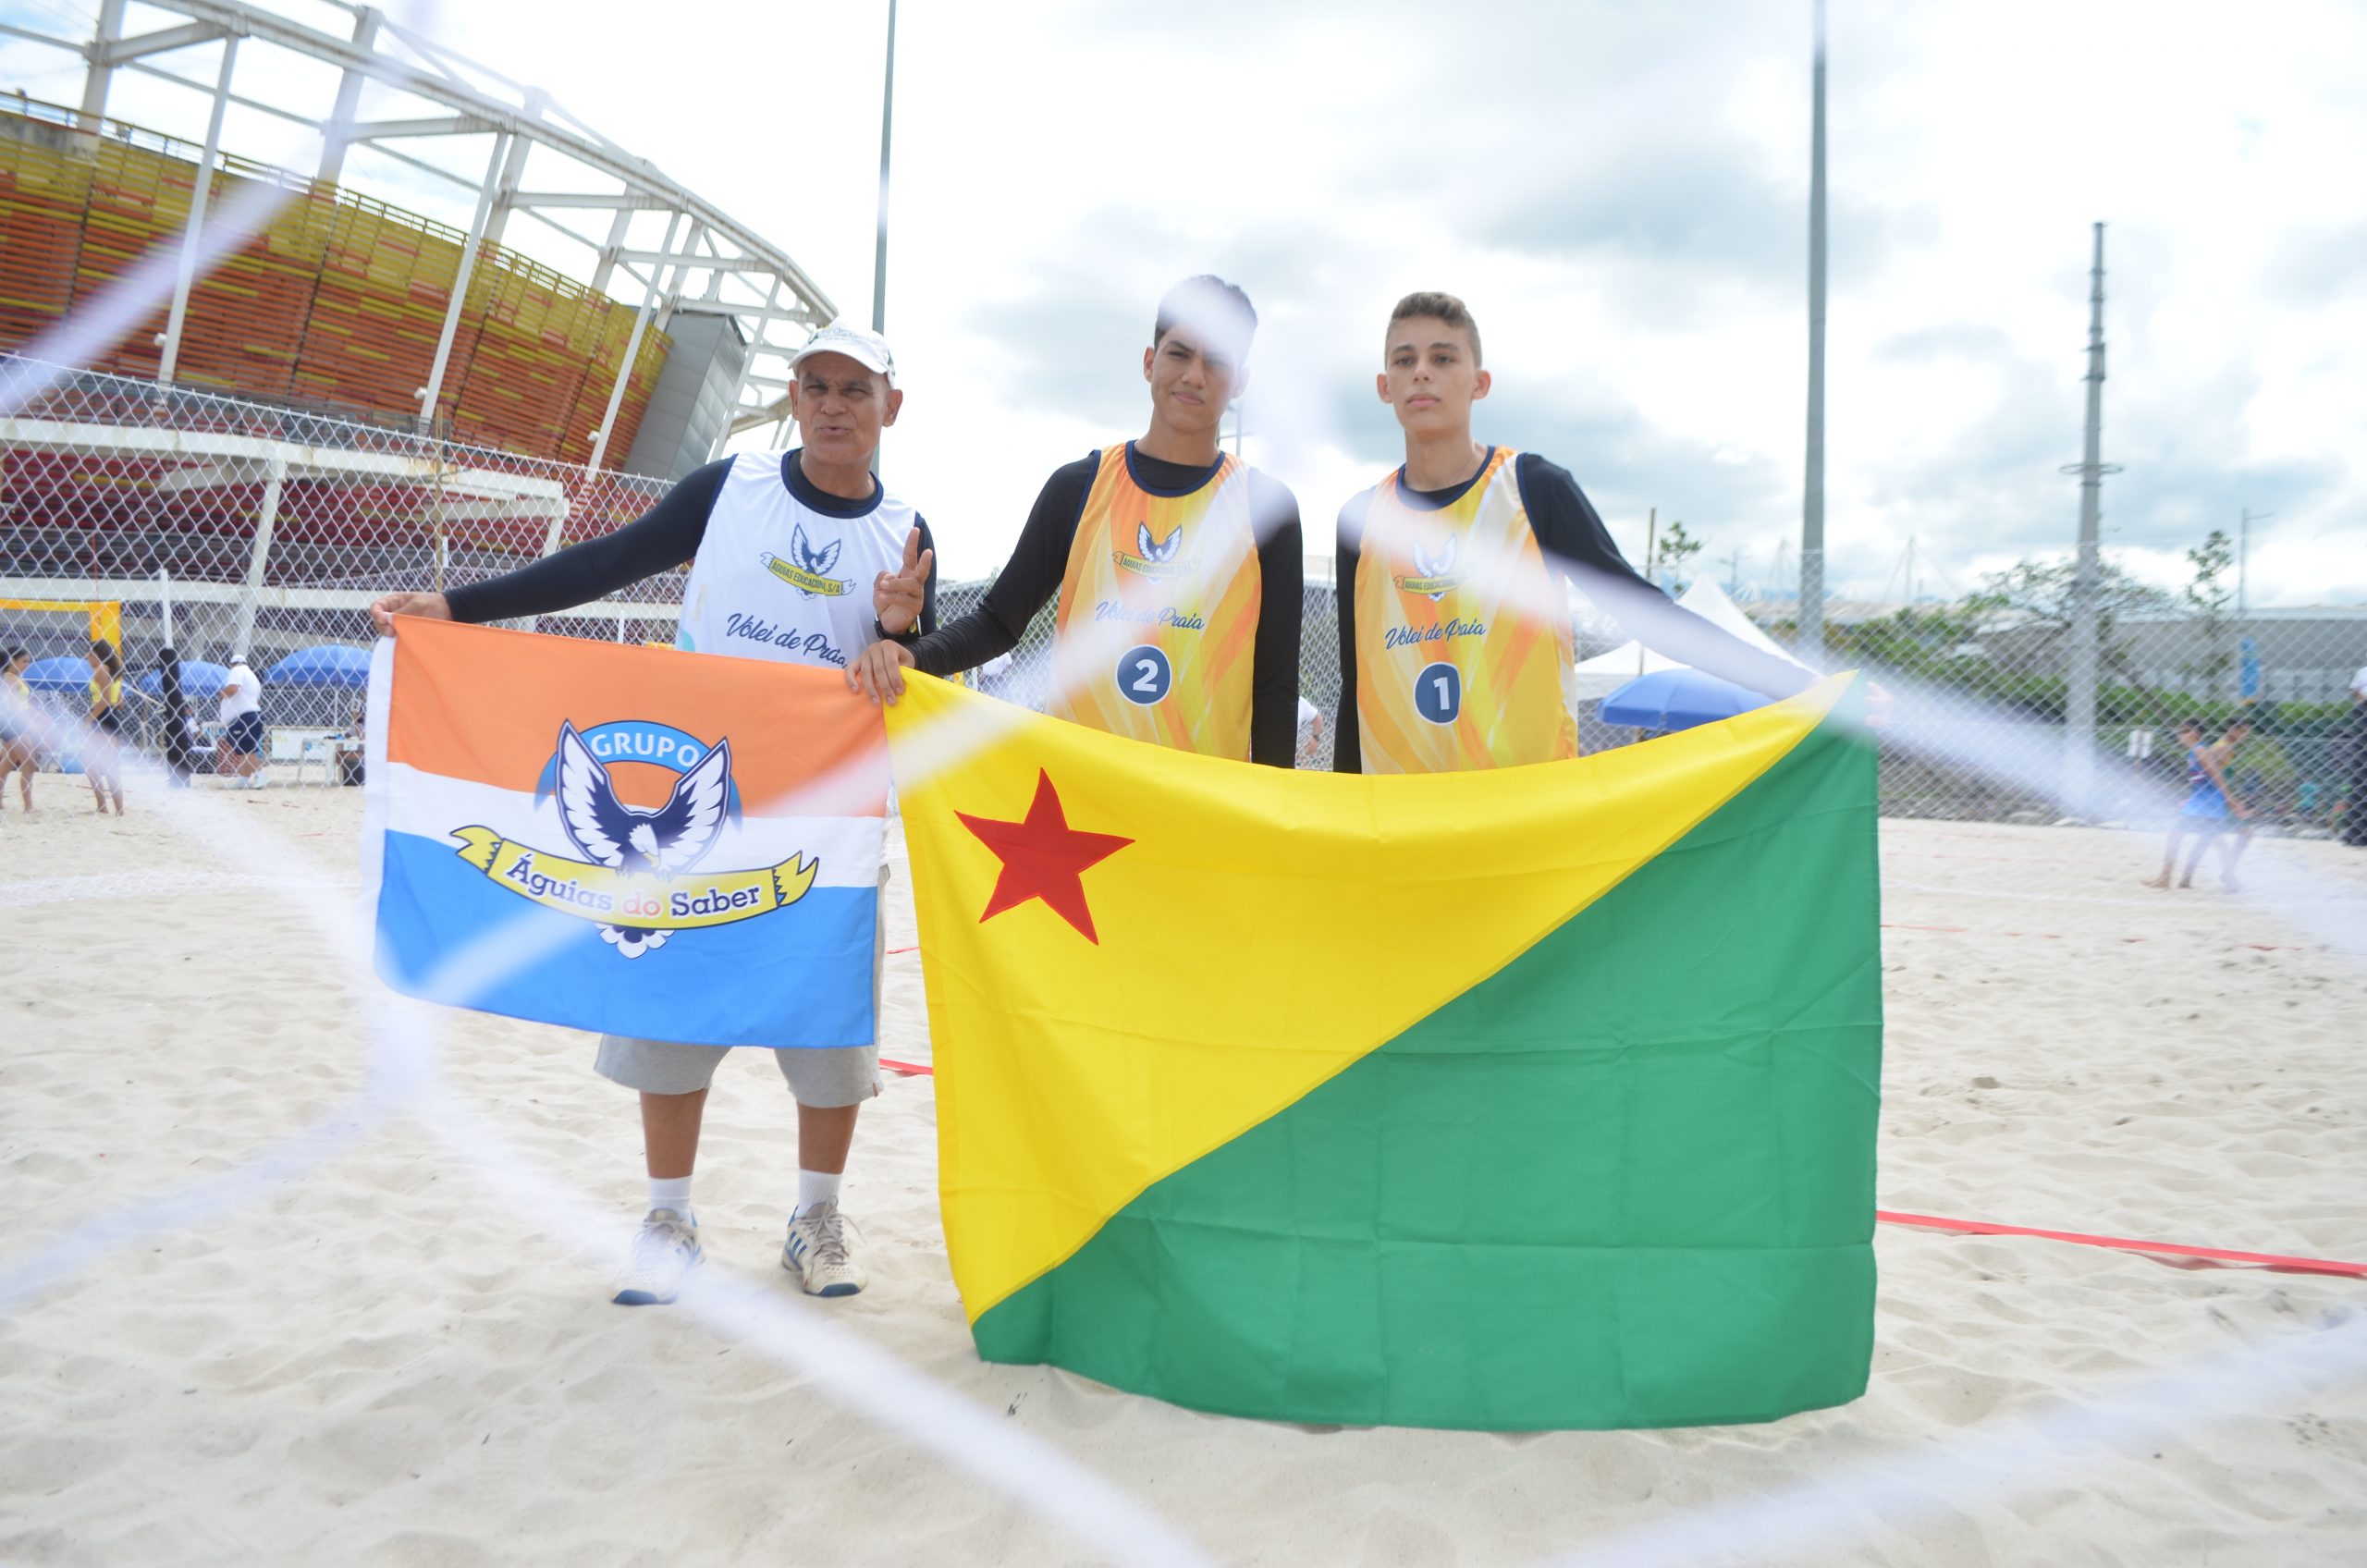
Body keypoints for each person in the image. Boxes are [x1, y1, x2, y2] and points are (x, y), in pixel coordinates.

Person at [370, 323, 932, 1308]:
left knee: (829, 1034)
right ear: (793, 397)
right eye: (816, 384)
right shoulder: (732, 489)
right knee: (670, 1015)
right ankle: (668, 1217)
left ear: (892, 405)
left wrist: (898, 636)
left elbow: (911, 662)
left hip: (820, 816)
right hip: (699, 813)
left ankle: (815, 1217)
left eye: (855, 388)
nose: (834, 404)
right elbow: (609, 561)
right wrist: (462, 608)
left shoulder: (909, 531)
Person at [1331, 292, 1821, 774]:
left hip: (1521, 809)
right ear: (1384, 386)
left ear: (1480, 383)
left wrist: (1801, 686)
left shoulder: (1533, 490)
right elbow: (1357, 685)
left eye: (1442, 357)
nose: (1421, 371)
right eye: (1404, 359)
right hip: (1399, 818)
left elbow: (1649, 616)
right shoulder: (1363, 518)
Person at [849, 276, 1305, 767]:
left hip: (1204, 812)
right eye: (1179, 354)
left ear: (1239, 381)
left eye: (1216, 360)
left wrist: (1274, 826)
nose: (1195, 375)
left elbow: (1274, 688)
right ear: (1150, 362)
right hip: (1082, 805)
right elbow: (998, 622)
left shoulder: (1267, 510)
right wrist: (913, 653)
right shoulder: (1081, 487)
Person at [2146, 717, 2249, 890]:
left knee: (2208, 839)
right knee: (2202, 838)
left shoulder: (2200, 751)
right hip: (2200, 801)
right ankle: (2169, 878)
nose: (2179, 735)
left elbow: (2216, 775)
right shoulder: (2194, 751)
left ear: (2194, 733)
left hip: (2208, 802)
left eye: (2183, 731)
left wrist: (2229, 799)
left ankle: (2167, 878)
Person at [83, 639, 127, 815]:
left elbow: (104, 700)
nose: (87, 657)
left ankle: (107, 807)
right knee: (103, 765)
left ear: (98, 655)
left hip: (101, 719)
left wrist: (87, 721)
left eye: (90, 654)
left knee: (96, 765)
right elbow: (119, 701)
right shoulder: (114, 672)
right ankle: (115, 808)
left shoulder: (101, 671)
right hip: (110, 718)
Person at [215, 655, 268, 789]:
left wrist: (220, 694)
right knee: (245, 750)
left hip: (243, 717)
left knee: (247, 750)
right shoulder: (253, 677)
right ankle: (244, 780)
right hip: (251, 715)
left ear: (231, 665)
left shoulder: (237, 671)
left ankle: (261, 776)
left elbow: (233, 689)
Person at [1, 648, 39, 813]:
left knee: (7, 763)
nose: (27, 664)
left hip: (14, 722)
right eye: (24, 661)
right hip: (14, 723)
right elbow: (12, 705)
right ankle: (28, 805)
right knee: (29, 763)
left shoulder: (13, 678)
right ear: (12, 661)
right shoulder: (9, 678)